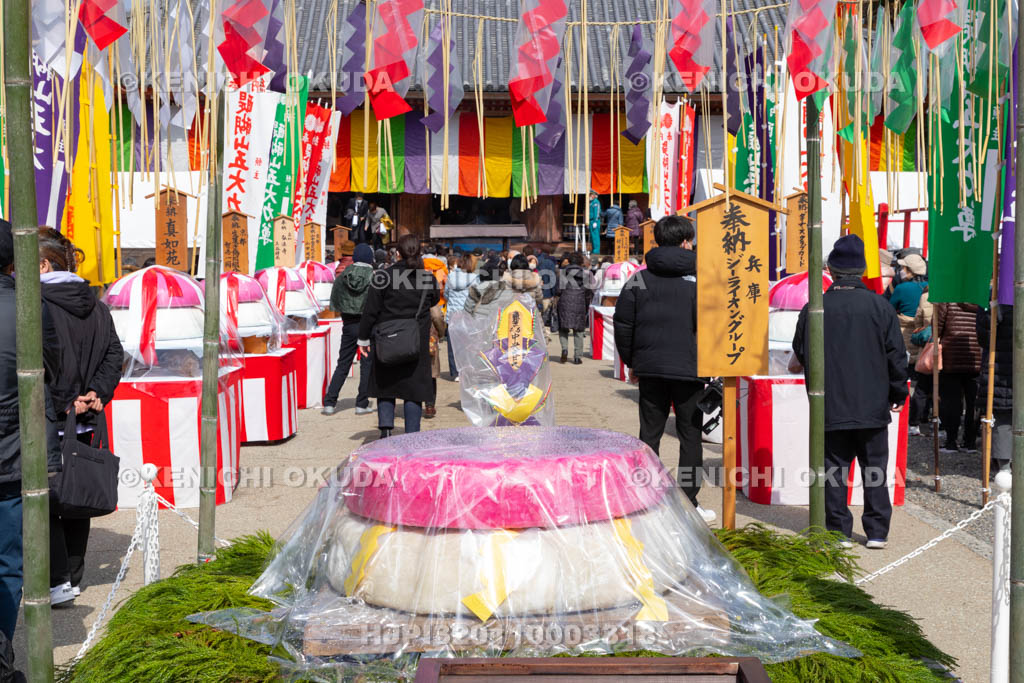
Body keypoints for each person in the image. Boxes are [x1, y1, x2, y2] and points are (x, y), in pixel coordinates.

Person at [790, 234, 908, 549]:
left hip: (829, 403)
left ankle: (838, 530)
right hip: (872, 404)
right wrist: (899, 393)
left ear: (831, 270)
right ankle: (877, 531)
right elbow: (896, 356)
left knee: (833, 470)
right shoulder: (880, 306)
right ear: (862, 270)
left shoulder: (815, 307)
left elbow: (800, 351)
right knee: (875, 469)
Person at [37, 228, 123, 606]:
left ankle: (57, 581)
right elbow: (114, 355)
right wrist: (95, 394)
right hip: (86, 418)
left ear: (43, 264)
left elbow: (44, 364)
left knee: (45, 500)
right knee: (76, 496)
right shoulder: (97, 305)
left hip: (51, 417)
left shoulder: (37, 303)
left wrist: (66, 400)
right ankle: (72, 576)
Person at [613, 215, 715, 524]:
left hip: (651, 368)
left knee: (649, 434)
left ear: (657, 240)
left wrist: (632, 362)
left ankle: (646, 499)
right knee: (690, 436)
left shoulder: (639, 279)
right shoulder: (704, 278)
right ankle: (689, 502)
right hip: (691, 368)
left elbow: (623, 323)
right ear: (686, 242)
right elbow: (715, 324)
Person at [0, 220, 60, 651]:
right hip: (14, 452)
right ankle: (3, 651)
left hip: (13, 449)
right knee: (7, 562)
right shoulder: (29, 306)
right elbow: (51, 368)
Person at [358, 235, 440, 439]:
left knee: (386, 385)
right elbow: (434, 301)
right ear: (419, 253)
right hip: (416, 341)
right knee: (414, 390)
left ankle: (386, 430)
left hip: (387, 339)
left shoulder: (382, 277)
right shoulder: (427, 279)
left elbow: (370, 310)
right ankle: (412, 435)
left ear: (397, 253)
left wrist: (363, 338)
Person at [322, 243, 375, 417]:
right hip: (368, 325)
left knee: (343, 363)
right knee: (367, 365)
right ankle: (361, 404)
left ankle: (329, 403)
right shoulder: (375, 277)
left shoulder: (343, 275)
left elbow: (335, 300)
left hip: (349, 324)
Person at [934, 302, 983, 452]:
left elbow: (937, 327)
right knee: (973, 403)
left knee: (952, 402)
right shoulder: (981, 299)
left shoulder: (947, 298)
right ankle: (970, 442)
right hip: (975, 356)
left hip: (951, 356)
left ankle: (951, 441)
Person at [977, 304, 1012, 472]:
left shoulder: (994, 300)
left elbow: (984, 338)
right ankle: (1005, 469)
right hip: (1001, 372)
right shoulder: (994, 301)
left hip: (1000, 371)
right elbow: (985, 338)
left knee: (1003, 421)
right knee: (1003, 420)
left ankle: (1005, 470)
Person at [445, 254, 479, 381]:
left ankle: (455, 373)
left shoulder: (451, 276)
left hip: (453, 314)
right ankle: (467, 369)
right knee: (468, 344)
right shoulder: (474, 277)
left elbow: (446, 294)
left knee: (452, 345)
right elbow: (476, 297)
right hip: (467, 314)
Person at [555, 252, 593, 364]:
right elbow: (588, 293)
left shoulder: (563, 273)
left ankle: (564, 349)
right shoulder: (585, 275)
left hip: (564, 302)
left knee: (563, 328)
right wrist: (586, 305)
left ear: (569, 261)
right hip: (580, 303)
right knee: (579, 330)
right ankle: (577, 357)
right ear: (580, 262)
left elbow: (558, 291)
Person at [908, 287, 935, 436]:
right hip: (949, 348)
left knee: (921, 389)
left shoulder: (925, 296)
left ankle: (914, 424)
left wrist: (925, 329)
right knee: (945, 390)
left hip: (928, 348)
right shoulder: (959, 295)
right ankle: (941, 425)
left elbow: (917, 322)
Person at [588, 191, 602, 256]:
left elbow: (597, 212)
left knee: (595, 237)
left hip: (594, 221)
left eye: (591, 195)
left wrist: (595, 221)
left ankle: (596, 251)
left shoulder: (596, 202)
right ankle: (593, 249)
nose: (590, 196)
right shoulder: (591, 202)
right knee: (592, 237)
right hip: (591, 221)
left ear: (594, 195)